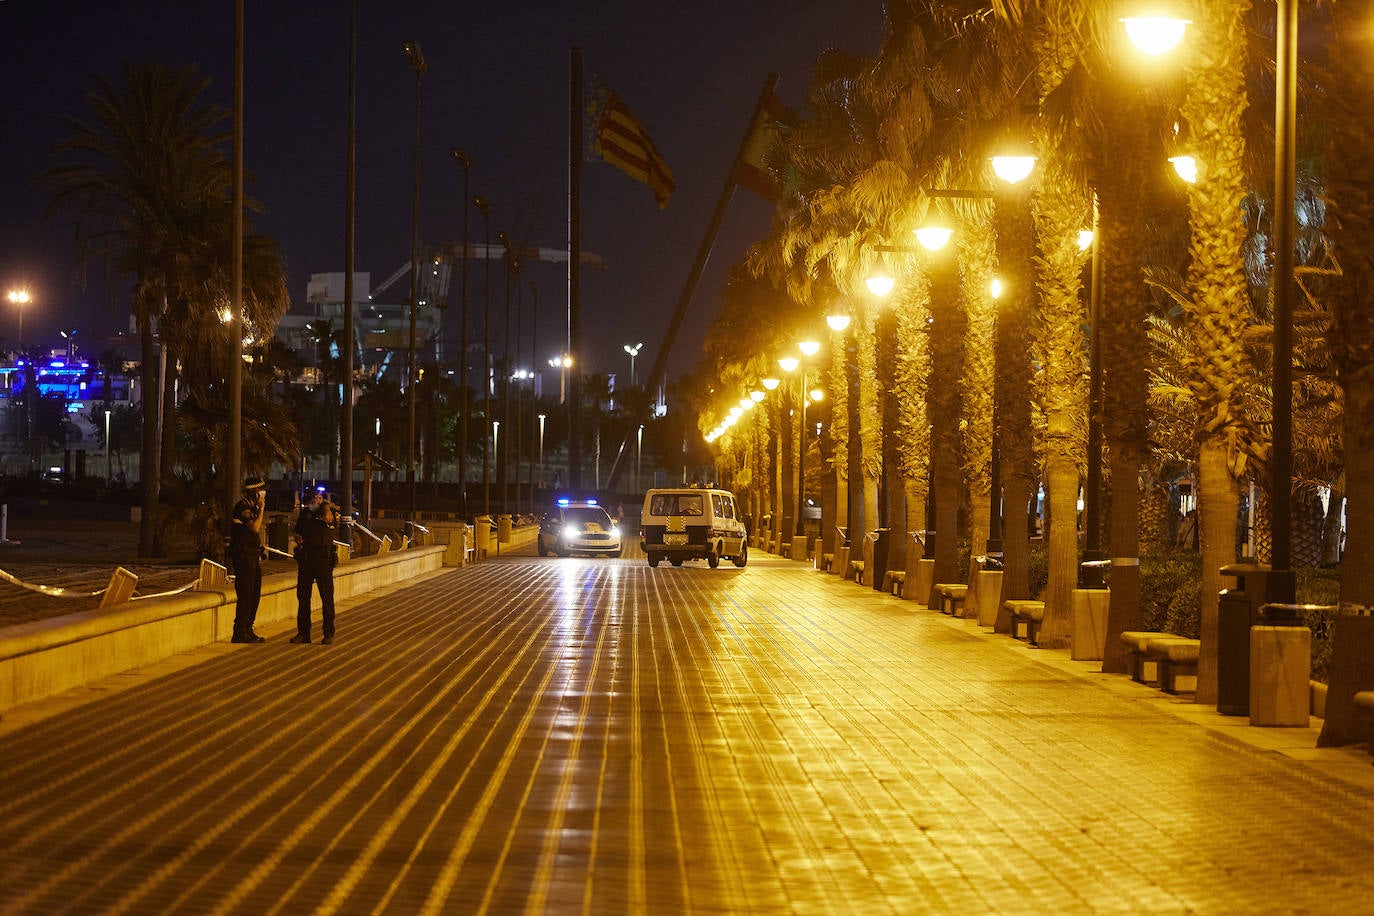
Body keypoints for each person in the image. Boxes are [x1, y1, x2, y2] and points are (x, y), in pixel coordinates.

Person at [290, 488, 338, 645]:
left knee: (327, 598)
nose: (316, 500)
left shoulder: (327, 512)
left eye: (318, 498)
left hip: (323, 559)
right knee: (303, 598)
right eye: (313, 498)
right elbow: (297, 532)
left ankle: (328, 633)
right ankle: (303, 634)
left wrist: (324, 505)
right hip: (306, 560)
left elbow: (327, 518)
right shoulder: (305, 514)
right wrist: (298, 538)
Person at [229, 475, 268, 643]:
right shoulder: (243, 507)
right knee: (245, 593)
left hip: (252, 554)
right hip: (243, 555)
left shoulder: (253, 506)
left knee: (255, 592)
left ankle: (248, 628)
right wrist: (262, 508)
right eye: (260, 490)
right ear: (254, 492)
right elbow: (254, 528)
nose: (263, 493)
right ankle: (239, 631)